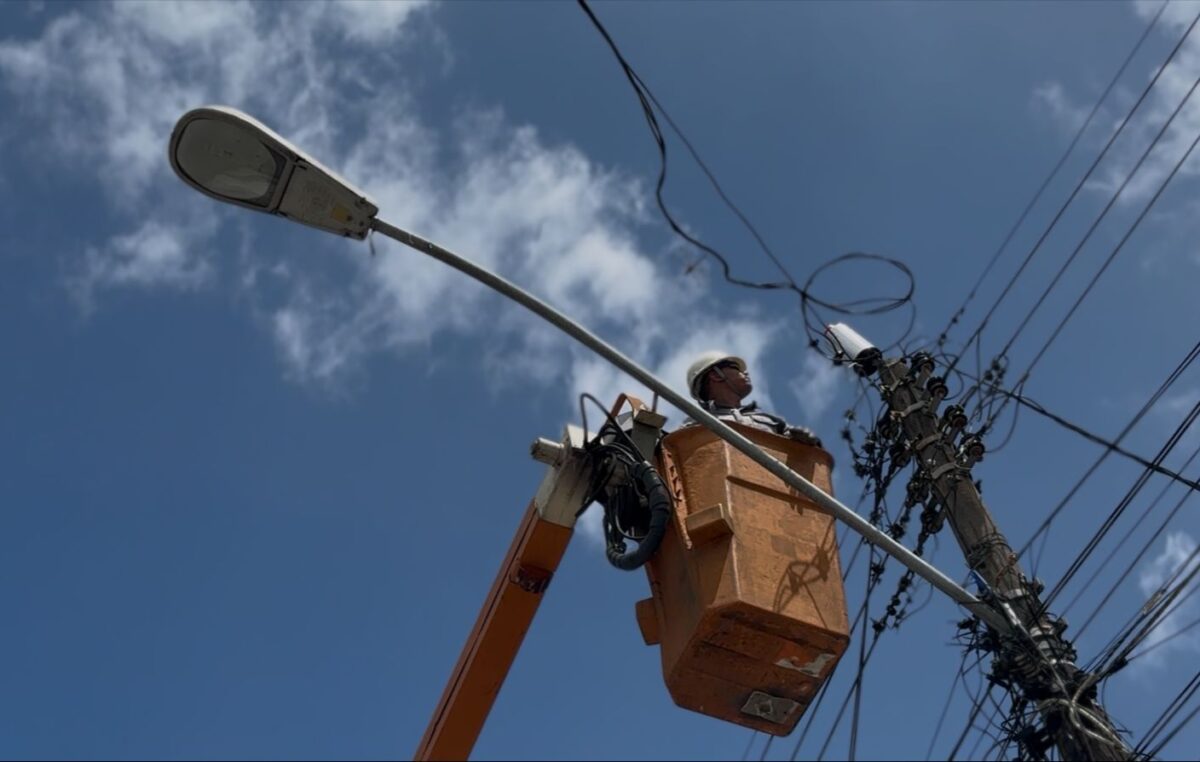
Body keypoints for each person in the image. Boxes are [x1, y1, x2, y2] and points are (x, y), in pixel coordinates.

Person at [683, 351, 822, 447]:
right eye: (735, 368)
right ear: (716, 375)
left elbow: (812, 454)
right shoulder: (695, 425)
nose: (745, 372)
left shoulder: (772, 421)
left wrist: (806, 441)